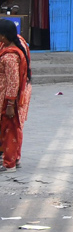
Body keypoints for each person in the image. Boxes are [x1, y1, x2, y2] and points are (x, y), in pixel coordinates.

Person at [0, 19, 30, 170]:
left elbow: (13, 82)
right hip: (7, 99)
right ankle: (12, 160)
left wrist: (10, 105)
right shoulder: (13, 46)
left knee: (9, 131)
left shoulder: (10, 56)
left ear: (4, 36)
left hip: (8, 100)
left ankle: (9, 164)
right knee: (9, 130)